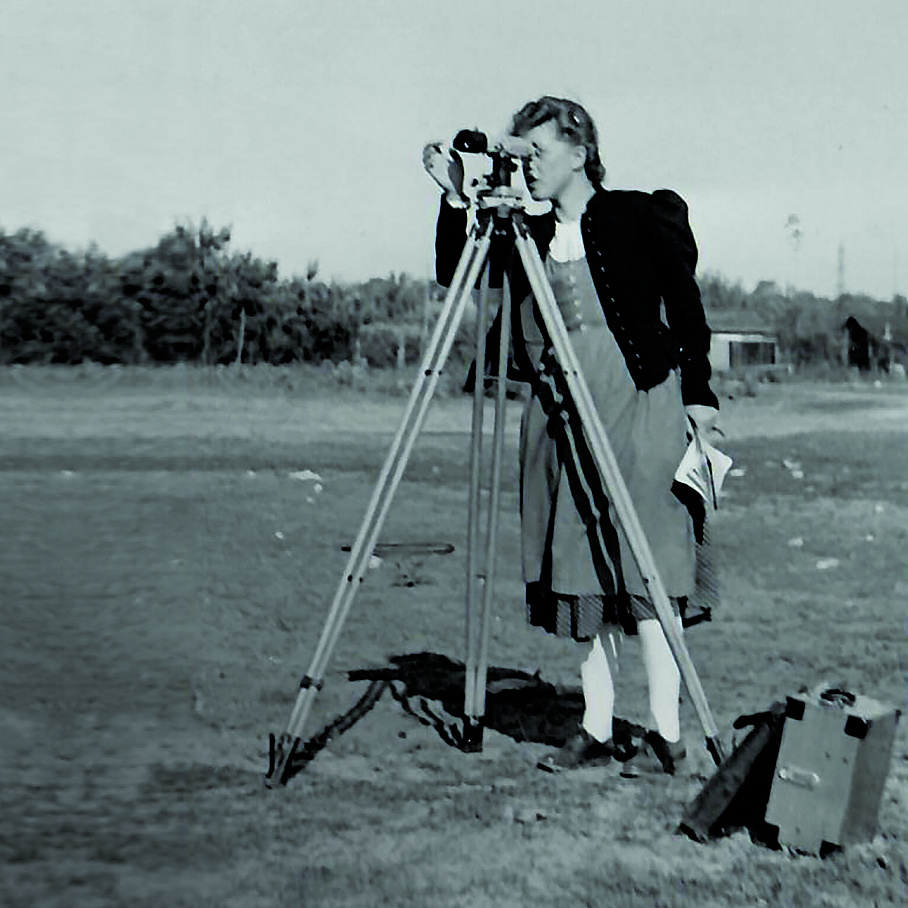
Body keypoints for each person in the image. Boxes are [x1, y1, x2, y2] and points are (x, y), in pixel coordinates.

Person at [423, 96, 720, 775]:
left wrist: (700, 395)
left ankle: (668, 734)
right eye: (519, 155)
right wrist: (453, 198)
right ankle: (594, 724)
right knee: (577, 566)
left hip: (639, 398)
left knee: (647, 566)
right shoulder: (520, 233)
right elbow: (453, 271)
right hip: (559, 409)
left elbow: (686, 305)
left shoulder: (638, 214)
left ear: (579, 152)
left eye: (538, 154)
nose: (526, 169)